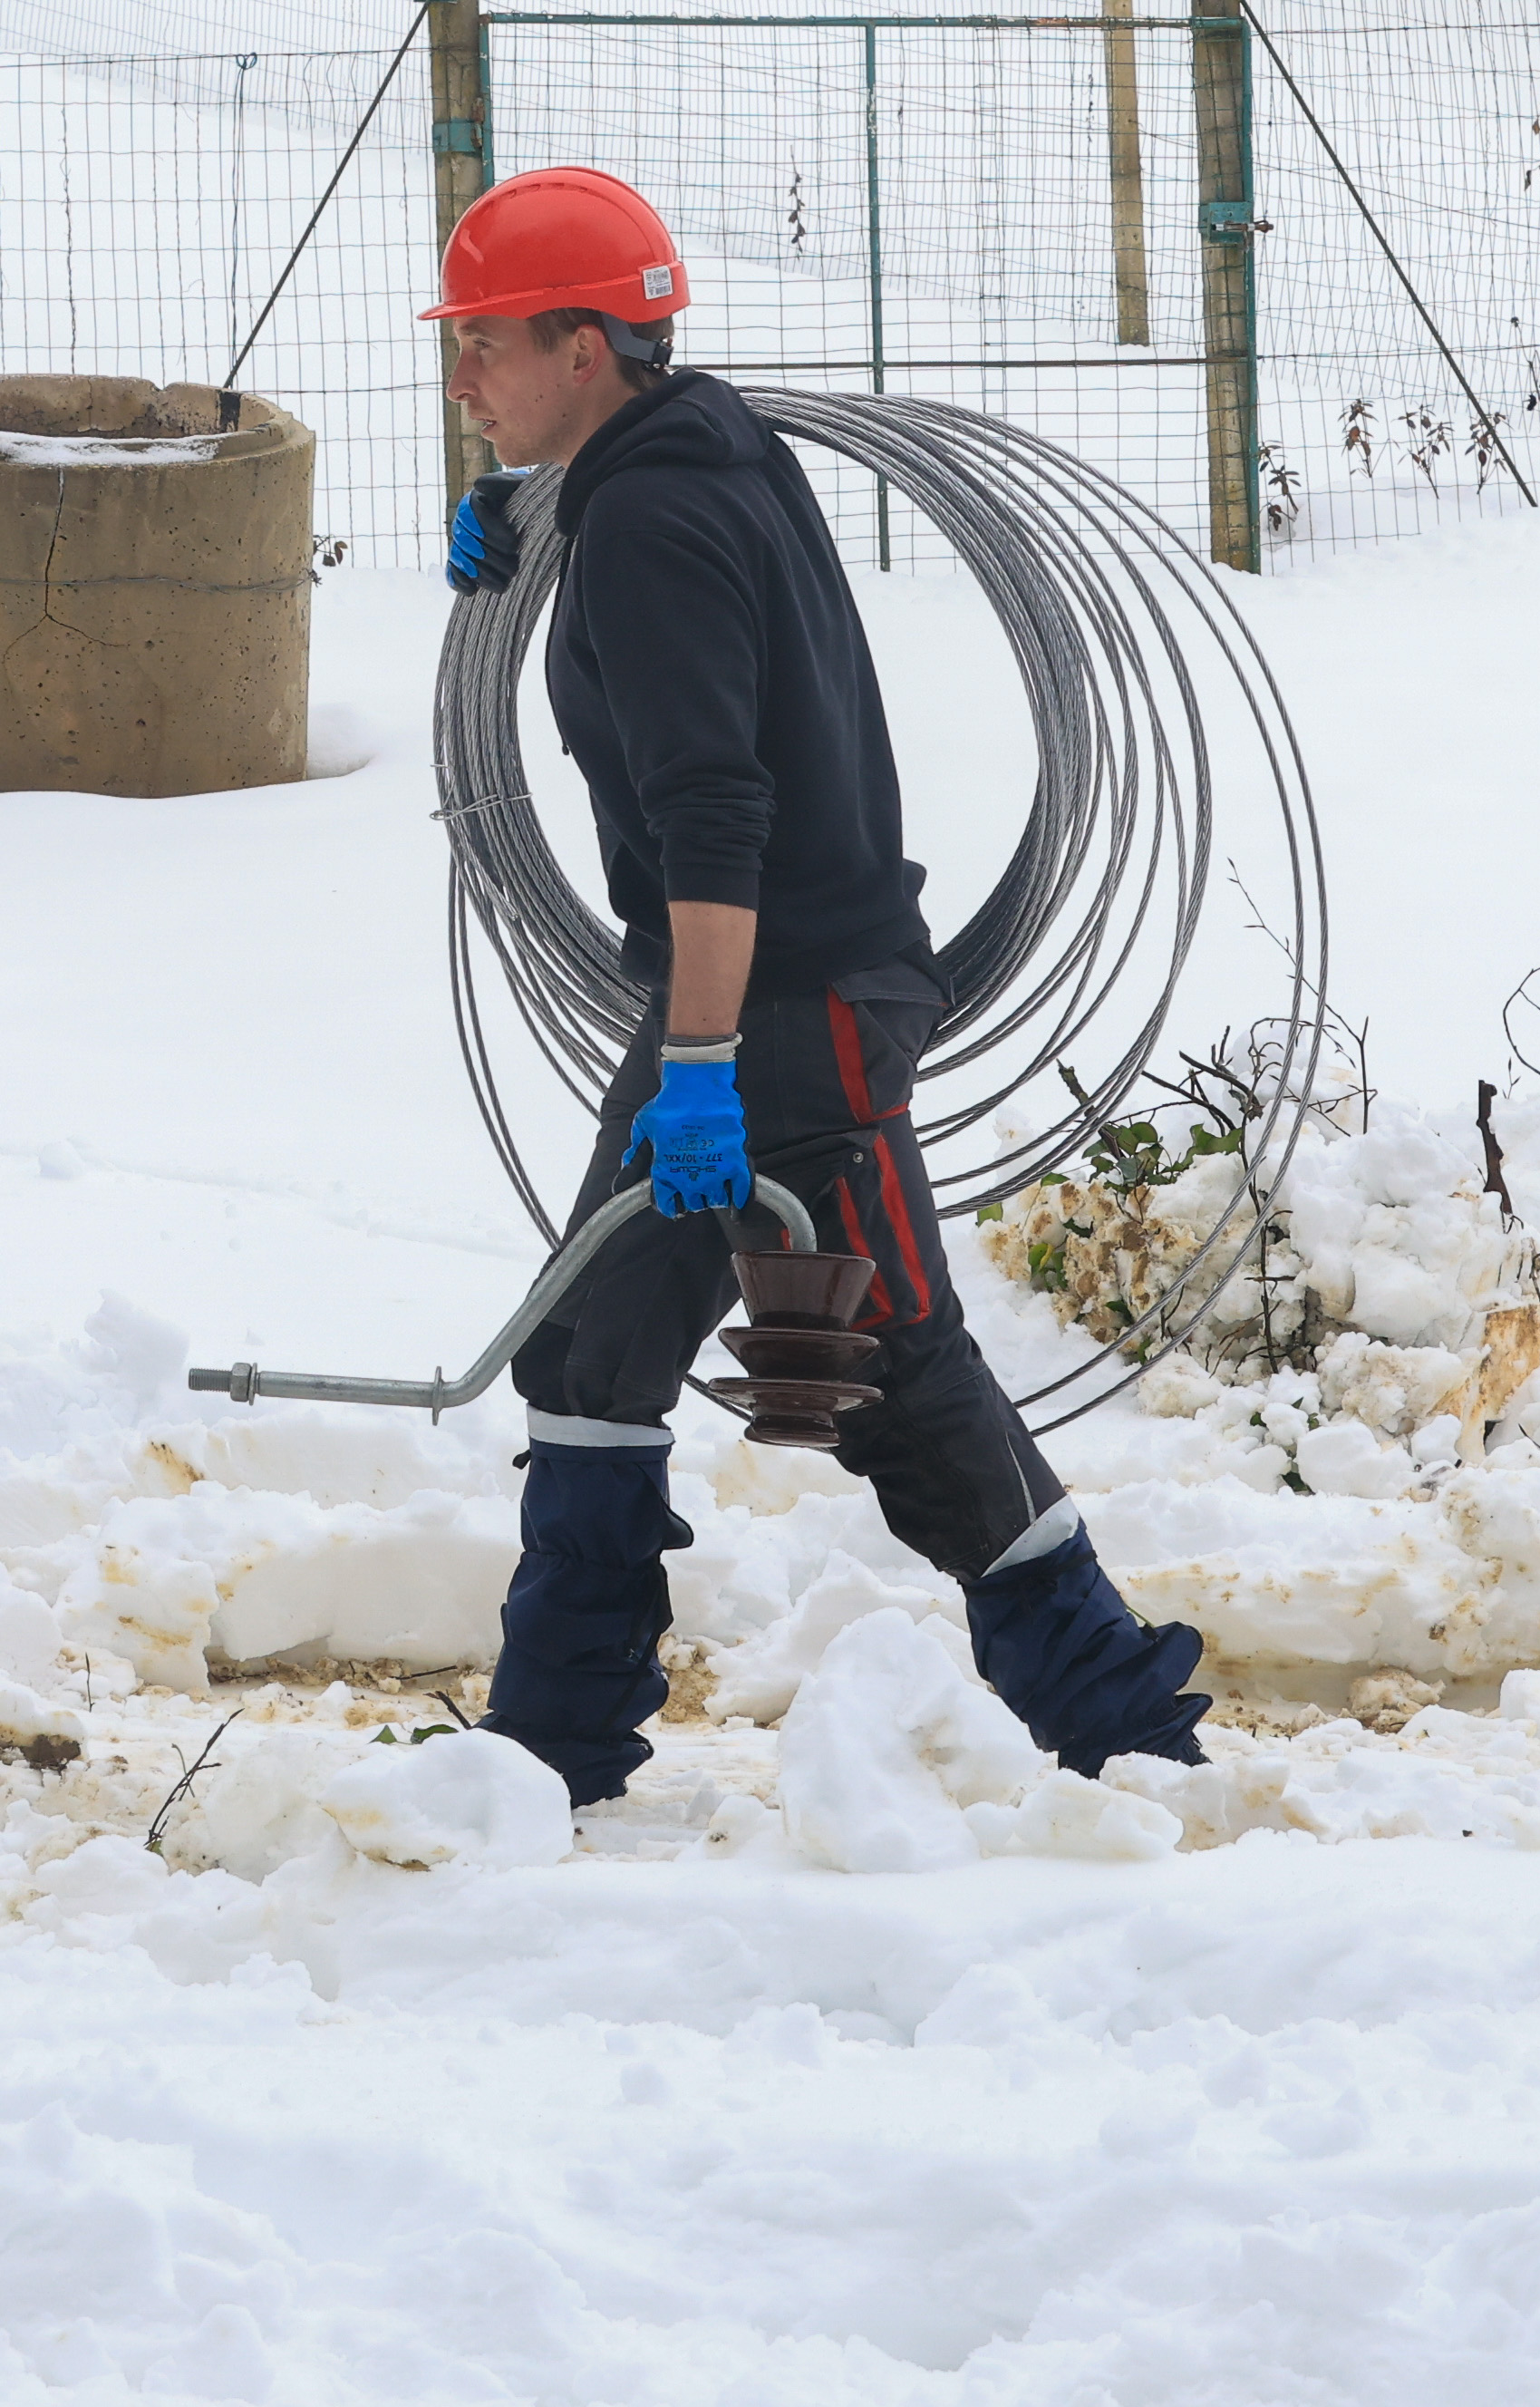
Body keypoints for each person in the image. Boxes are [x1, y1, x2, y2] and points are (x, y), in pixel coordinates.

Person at [424, 162, 1214, 1808]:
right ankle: (552, 1749)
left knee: (897, 1374)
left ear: (583, 347)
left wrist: (702, 1064)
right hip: (749, 1001)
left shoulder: (651, 520)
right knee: (590, 1355)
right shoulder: (691, 446)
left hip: (786, 1012)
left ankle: (1127, 1731)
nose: (461, 377)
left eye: (485, 343)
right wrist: (535, 502)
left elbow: (718, 818)